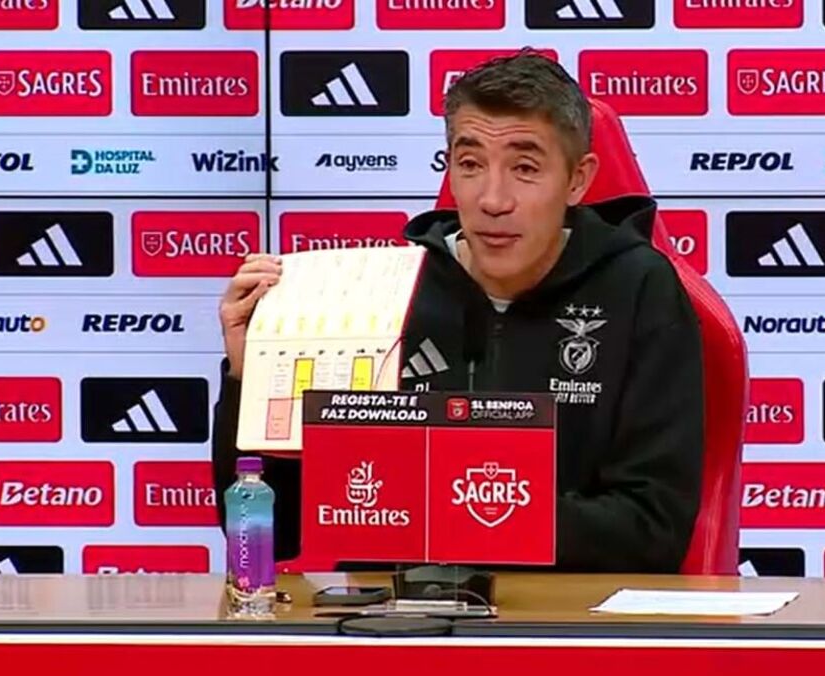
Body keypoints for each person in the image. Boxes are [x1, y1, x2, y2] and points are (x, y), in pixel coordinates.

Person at [212, 51, 705, 573]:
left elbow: (653, 530)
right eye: (470, 165)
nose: (492, 199)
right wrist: (248, 376)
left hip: (565, 612)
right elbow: (274, 527)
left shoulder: (638, 288)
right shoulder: (380, 293)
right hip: (400, 614)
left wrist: (452, 509)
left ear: (577, 180)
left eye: (525, 168)